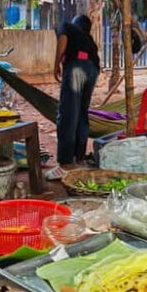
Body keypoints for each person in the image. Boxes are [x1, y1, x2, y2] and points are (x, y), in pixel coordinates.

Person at [46, 14, 100, 180]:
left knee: (69, 112)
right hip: (93, 69)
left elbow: (63, 38)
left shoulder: (67, 25)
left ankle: (65, 164)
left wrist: (56, 65)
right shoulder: (89, 39)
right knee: (82, 113)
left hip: (77, 67)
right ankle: (79, 158)